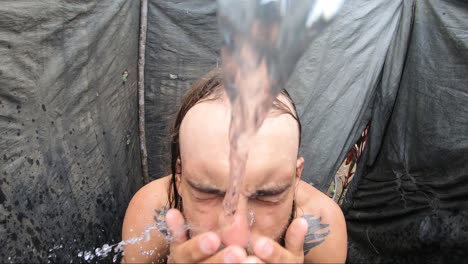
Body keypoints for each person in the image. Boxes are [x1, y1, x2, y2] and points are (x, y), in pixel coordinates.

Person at [121, 69, 347, 263]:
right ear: (179, 177)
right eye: (207, 193)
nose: (235, 233)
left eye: (267, 196)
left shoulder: (323, 226)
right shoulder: (151, 212)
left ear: (296, 177)